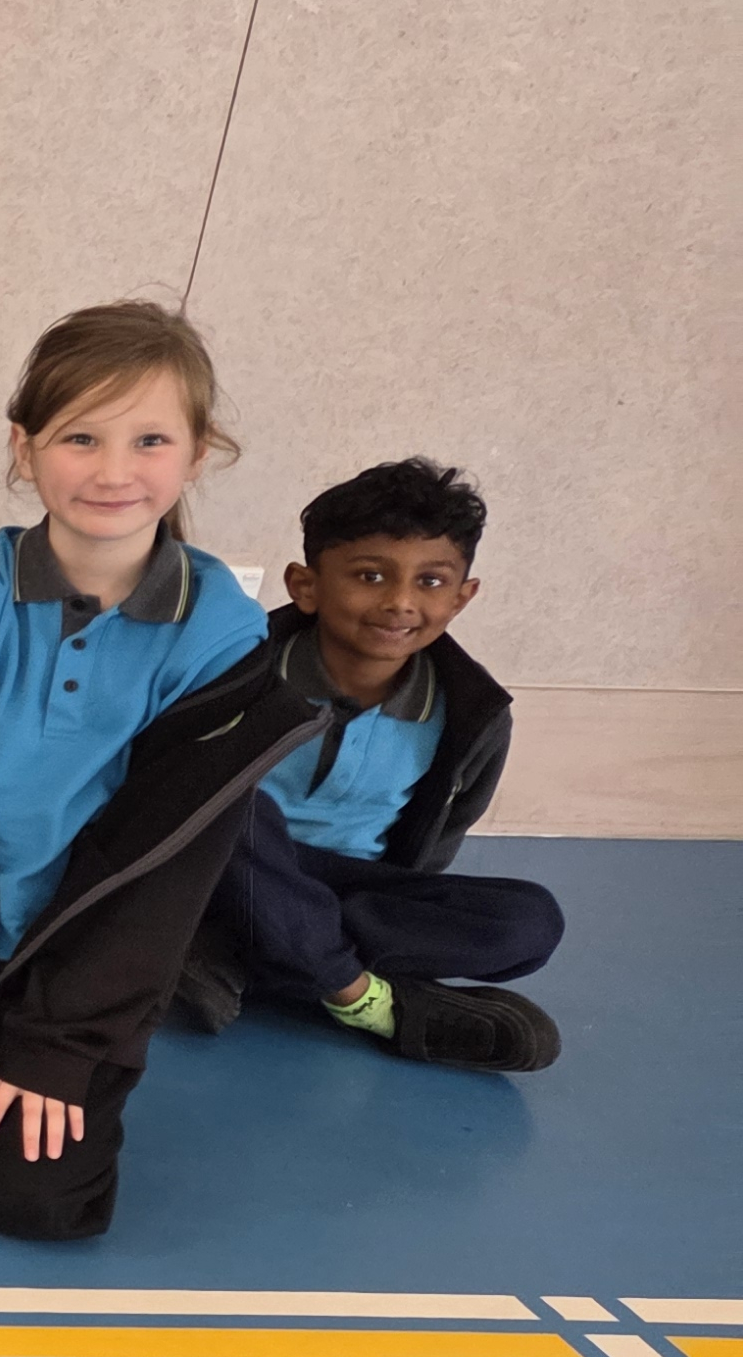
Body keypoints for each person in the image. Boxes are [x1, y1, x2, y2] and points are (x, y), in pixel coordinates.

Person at [0, 300, 316, 1241]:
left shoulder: (220, 638)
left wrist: (61, 1047)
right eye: (81, 437)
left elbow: (160, 874)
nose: (114, 471)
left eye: (150, 439)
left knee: (41, 1204)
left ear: (197, 453)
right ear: (25, 447)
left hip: (80, 968)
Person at [172, 458, 561, 1069]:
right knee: (228, 805)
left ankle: (245, 956)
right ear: (305, 585)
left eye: (430, 582)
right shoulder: (233, 673)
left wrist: (332, 921)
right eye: (370, 576)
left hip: (349, 889)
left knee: (530, 922)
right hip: (226, 868)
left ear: (463, 597)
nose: (400, 602)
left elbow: (437, 841)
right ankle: (362, 999)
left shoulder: (472, 713)